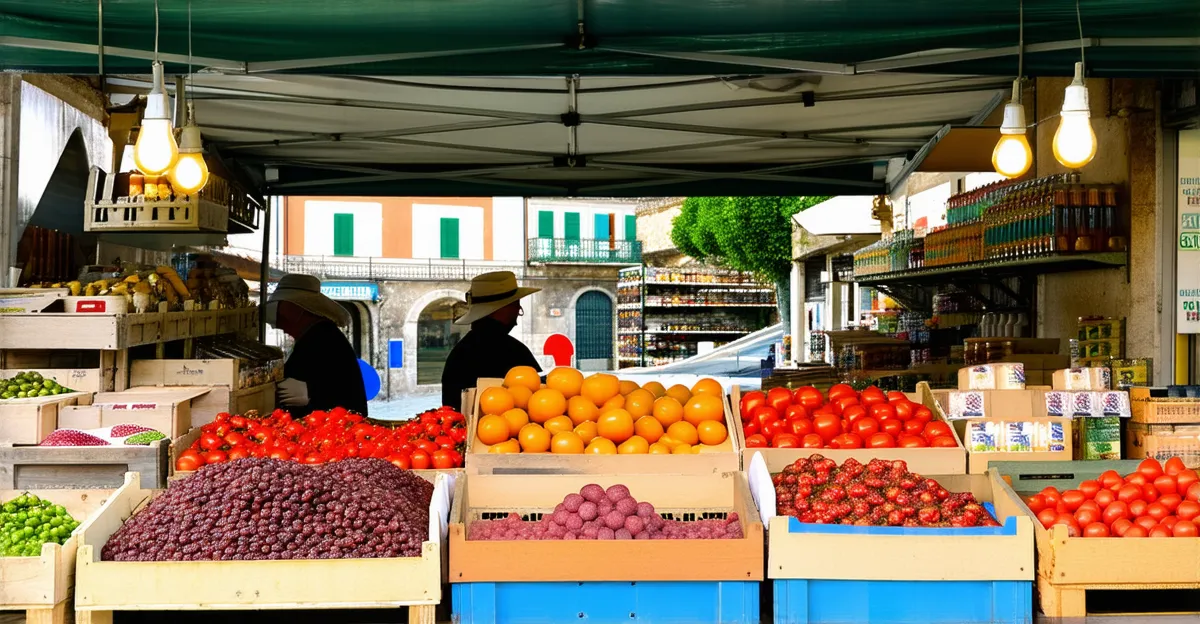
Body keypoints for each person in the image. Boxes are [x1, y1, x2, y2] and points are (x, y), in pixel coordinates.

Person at [265, 273, 368, 417]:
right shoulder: (317, 334)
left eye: (282, 312)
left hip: (335, 423)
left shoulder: (324, 337)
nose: (280, 324)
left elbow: (343, 386)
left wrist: (311, 392)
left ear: (295, 310)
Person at [441, 271, 541, 409]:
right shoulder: (514, 351)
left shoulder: (458, 353)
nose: (519, 310)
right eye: (516, 303)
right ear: (503, 308)